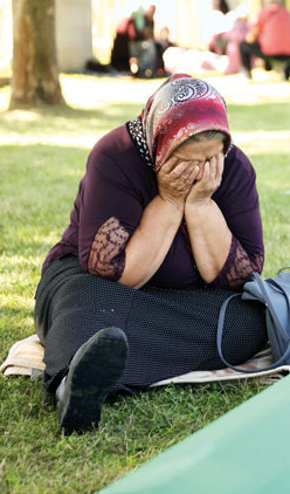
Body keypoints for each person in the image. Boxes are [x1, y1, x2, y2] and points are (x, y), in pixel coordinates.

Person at [35, 75, 268, 435]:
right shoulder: (114, 156)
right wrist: (170, 200)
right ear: (160, 145)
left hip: (186, 299)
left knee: (249, 318)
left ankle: (113, 356)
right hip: (99, 288)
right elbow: (118, 274)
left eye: (210, 158)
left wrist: (200, 203)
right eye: (184, 162)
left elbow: (243, 275)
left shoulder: (235, 169)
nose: (199, 172)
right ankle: (73, 384)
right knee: (83, 299)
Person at [240, 0, 290, 80]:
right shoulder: (287, 14)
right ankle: (285, 73)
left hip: (270, 52)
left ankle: (248, 74)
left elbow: (251, 37)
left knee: (244, 45)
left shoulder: (265, 13)